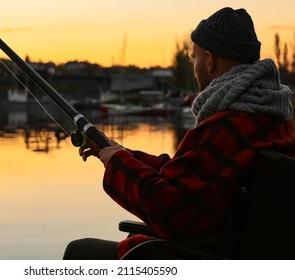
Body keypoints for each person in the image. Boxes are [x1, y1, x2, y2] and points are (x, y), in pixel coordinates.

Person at [63, 7, 295, 260]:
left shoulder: (224, 126)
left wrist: (116, 163)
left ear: (210, 60)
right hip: (230, 249)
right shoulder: (273, 120)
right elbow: (187, 173)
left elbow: (166, 208)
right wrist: (118, 152)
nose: (195, 67)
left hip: (204, 258)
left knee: (80, 251)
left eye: (194, 59)